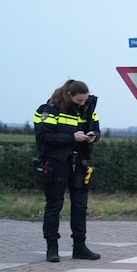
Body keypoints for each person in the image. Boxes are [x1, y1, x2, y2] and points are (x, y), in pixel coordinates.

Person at [34, 79, 101, 262]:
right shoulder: (48, 110)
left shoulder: (88, 109)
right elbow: (43, 136)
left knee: (80, 207)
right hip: (55, 163)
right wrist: (71, 137)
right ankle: (52, 248)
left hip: (79, 163)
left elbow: (96, 129)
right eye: (79, 101)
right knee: (54, 205)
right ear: (69, 95)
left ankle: (80, 247)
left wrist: (92, 136)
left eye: (84, 100)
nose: (82, 103)